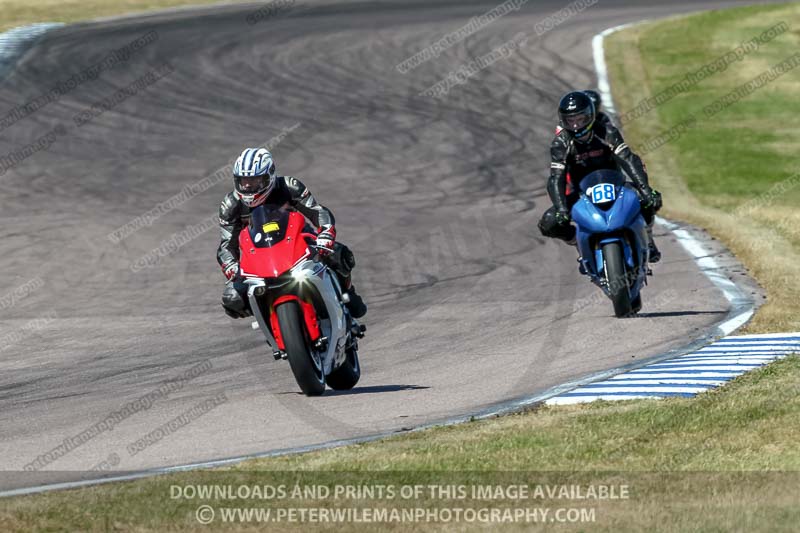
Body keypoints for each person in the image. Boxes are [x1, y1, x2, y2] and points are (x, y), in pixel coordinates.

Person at [217, 147, 367, 319]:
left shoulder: (289, 186)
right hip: (259, 258)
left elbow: (317, 212)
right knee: (232, 298)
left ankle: (348, 294)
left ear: (269, 176)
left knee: (339, 255)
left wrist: (325, 234)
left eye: (255, 180)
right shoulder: (230, 205)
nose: (248, 186)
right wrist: (231, 266)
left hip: (299, 243)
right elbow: (226, 245)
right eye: (243, 181)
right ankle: (270, 322)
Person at [538, 91, 662, 262]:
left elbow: (628, 159)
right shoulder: (560, 143)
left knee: (651, 200)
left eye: (580, 119)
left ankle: (648, 238)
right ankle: (578, 244)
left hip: (616, 185)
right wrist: (561, 209)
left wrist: (646, 190)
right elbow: (556, 177)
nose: (576, 125)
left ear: (590, 116)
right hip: (581, 192)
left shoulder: (607, 132)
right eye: (571, 120)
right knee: (549, 223)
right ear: (563, 120)